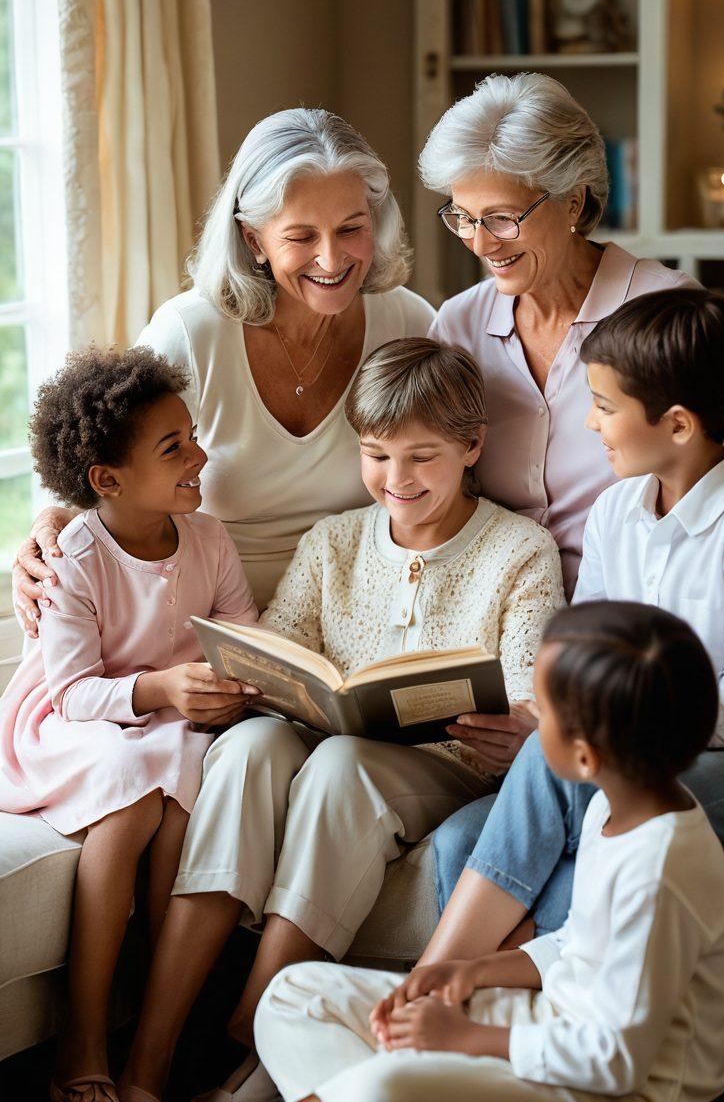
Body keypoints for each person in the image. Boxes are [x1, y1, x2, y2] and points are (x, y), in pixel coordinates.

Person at [118, 338, 563, 1102]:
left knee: (340, 767)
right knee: (254, 747)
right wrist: (253, 682)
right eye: (376, 455)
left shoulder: (520, 549)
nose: (397, 480)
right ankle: (147, 1065)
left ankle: (257, 1022)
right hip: (324, 743)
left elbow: (526, 692)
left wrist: (517, 728)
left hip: (448, 771)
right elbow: (282, 645)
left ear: (471, 446)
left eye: (421, 457)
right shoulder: (334, 541)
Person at [423, 289, 724, 967]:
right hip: (650, 735)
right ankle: (482, 1004)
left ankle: (438, 986)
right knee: (458, 841)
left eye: (606, 407)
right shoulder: (615, 513)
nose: (589, 424)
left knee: (588, 818)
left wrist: (620, 722)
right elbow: (593, 652)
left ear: (676, 425)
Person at [420, 72, 724, 779]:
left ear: (572, 200)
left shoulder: (659, 308)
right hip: (507, 636)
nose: (481, 242)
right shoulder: (459, 325)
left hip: (632, 652)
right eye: (463, 217)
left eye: (502, 217)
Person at [253, 602, 724, 1102]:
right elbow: (579, 944)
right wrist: (472, 970)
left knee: (379, 1085)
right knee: (290, 998)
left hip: (612, 1082)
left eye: (542, 710)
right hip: (549, 1025)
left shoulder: (659, 874)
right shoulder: (613, 807)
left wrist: (467, 1041)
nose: (530, 718)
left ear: (584, 756)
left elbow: (614, 1061)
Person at [12, 107, 435, 621]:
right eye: (302, 237)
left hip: (363, 614)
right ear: (253, 239)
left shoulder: (409, 324)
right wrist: (54, 525)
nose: (332, 259)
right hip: (200, 621)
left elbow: (455, 476)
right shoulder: (192, 333)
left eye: (351, 229)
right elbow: (115, 472)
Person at [0, 348, 260, 1102]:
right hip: (66, 721)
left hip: (163, 721)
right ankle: (81, 1039)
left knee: (183, 774)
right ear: (107, 481)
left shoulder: (208, 539)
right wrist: (159, 688)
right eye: (173, 447)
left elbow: (245, 636)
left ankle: (148, 1017)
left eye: (193, 435)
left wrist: (236, 686)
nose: (200, 455)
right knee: (133, 784)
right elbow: (74, 690)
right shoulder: (77, 557)